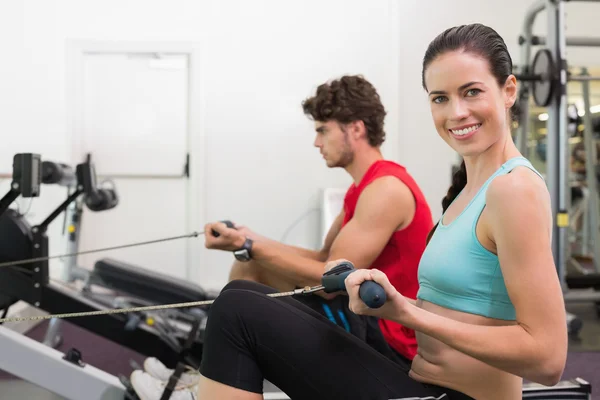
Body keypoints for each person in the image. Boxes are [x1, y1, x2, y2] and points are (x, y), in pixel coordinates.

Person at [137, 23, 569, 400]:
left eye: (471, 92)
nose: (456, 112)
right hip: (416, 377)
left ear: (508, 90)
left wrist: (406, 312)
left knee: (237, 315)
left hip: (448, 395)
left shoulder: (514, 189)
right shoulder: (468, 191)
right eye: (440, 98)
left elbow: (548, 359)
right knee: (240, 295)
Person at [129, 75, 435, 398]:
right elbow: (322, 258)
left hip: (389, 342)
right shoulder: (364, 187)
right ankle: (202, 374)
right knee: (251, 268)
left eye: (322, 130)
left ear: (356, 129)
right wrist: (248, 238)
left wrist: (249, 247)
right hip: (364, 318)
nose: (317, 143)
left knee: (250, 274)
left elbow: (332, 283)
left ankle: (200, 386)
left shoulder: (386, 190)